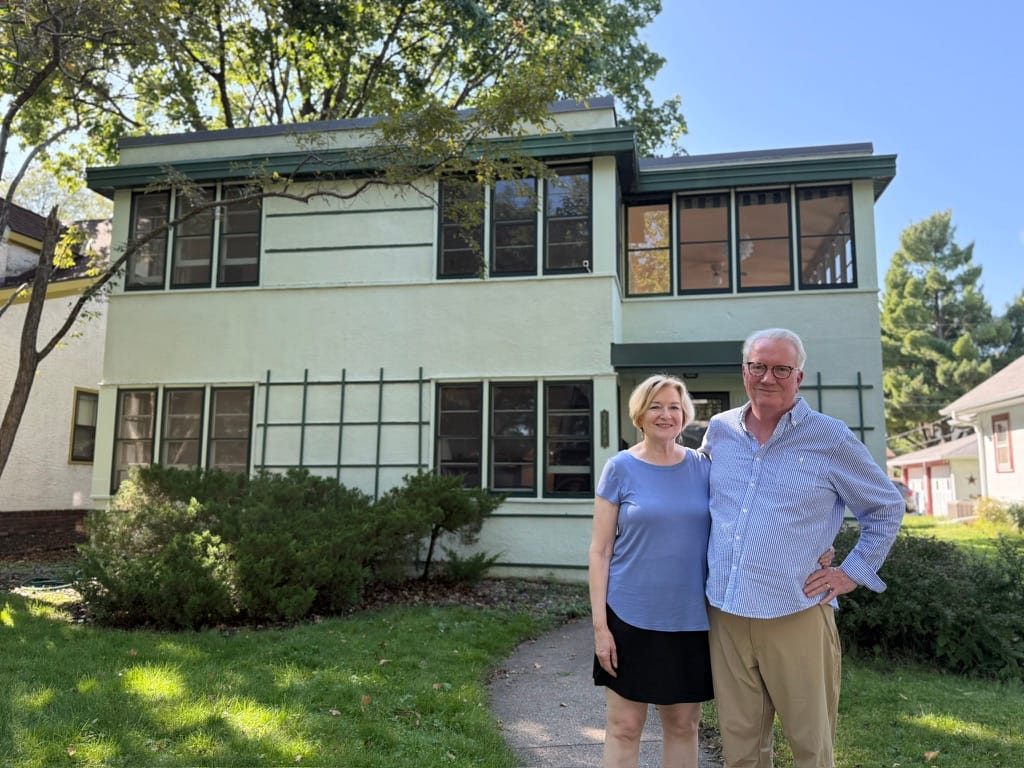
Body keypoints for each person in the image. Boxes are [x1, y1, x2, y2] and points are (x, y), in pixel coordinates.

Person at [701, 328, 903, 768]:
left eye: (781, 369)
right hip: (726, 613)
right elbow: (701, 501)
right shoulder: (719, 431)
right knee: (740, 748)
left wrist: (851, 571)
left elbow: (886, 507)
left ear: (799, 377)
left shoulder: (830, 437)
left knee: (811, 746)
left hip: (795, 611)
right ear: (744, 370)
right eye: (758, 366)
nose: (767, 377)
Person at [589, 374, 713, 768]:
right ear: (640, 415)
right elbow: (600, 551)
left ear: (685, 415)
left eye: (674, 407)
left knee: (683, 726)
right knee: (624, 727)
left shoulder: (704, 468)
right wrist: (600, 628)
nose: (666, 414)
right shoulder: (619, 468)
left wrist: (816, 545)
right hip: (628, 617)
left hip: (690, 620)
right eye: (655, 406)